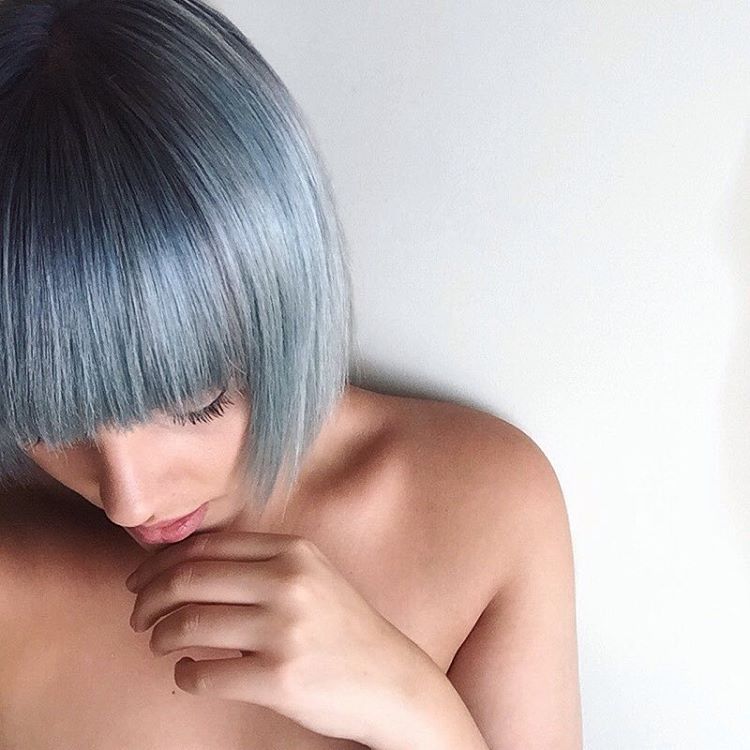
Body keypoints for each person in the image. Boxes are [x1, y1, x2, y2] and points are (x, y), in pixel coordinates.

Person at [0, 1, 583, 748]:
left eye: (194, 401)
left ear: (287, 292)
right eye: (46, 419)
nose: (128, 499)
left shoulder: (486, 514)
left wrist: (412, 705)